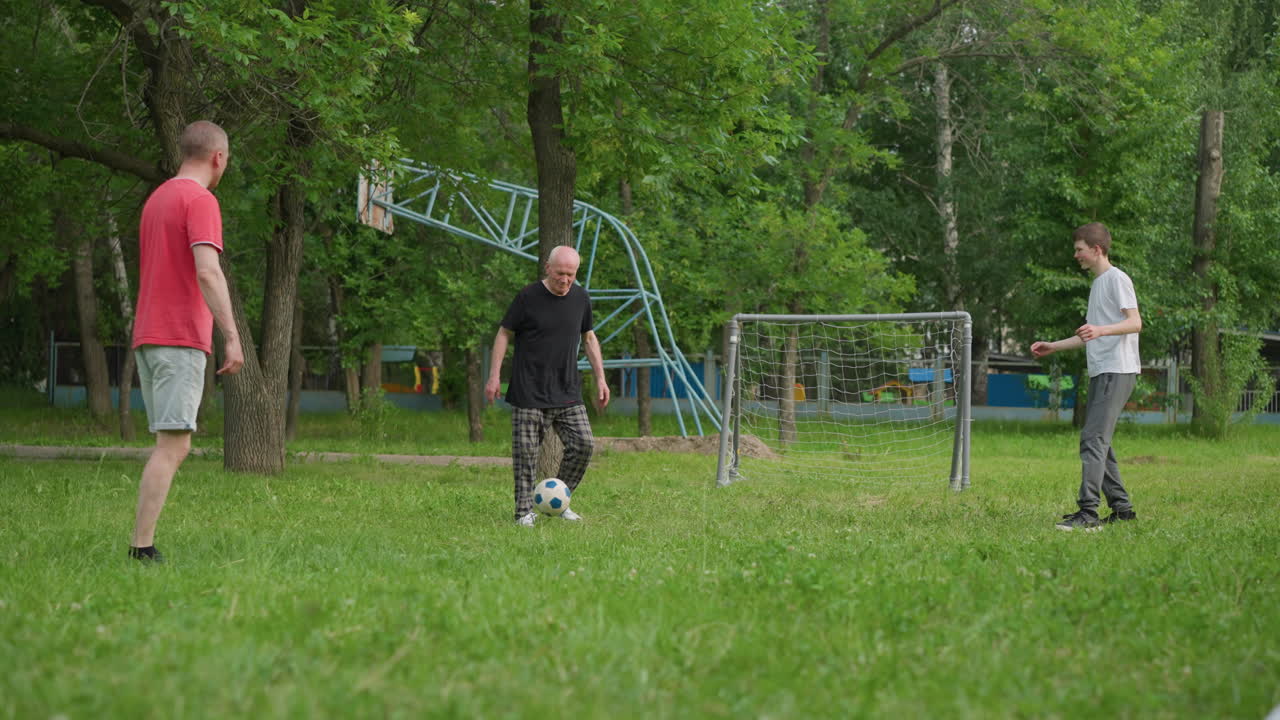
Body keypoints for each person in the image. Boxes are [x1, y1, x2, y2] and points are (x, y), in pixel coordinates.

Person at [128, 120, 244, 562]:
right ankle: (141, 548)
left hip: (149, 335)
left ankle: (142, 544)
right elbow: (208, 271)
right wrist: (231, 337)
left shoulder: (158, 198)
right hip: (178, 337)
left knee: (171, 443)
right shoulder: (200, 200)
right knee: (172, 446)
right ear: (219, 157)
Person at [485, 245, 610, 525]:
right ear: (547, 268)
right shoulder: (527, 297)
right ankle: (523, 512)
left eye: (571, 274)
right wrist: (494, 376)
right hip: (529, 389)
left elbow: (589, 338)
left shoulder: (581, 297)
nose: (565, 280)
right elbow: (504, 333)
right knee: (526, 454)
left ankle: (558, 499)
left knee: (584, 444)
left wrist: (601, 378)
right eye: (560, 274)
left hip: (567, 390)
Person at [1032, 222, 1142, 531]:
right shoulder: (1098, 285)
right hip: (1102, 370)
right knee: (1099, 441)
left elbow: (1135, 323)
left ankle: (1088, 514)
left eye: (1079, 250)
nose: (1075, 255)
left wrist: (1102, 329)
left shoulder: (1117, 279)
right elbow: (1089, 335)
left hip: (1116, 369)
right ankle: (1122, 510)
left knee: (1093, 439)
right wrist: (1052, 346)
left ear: (1096, 250)